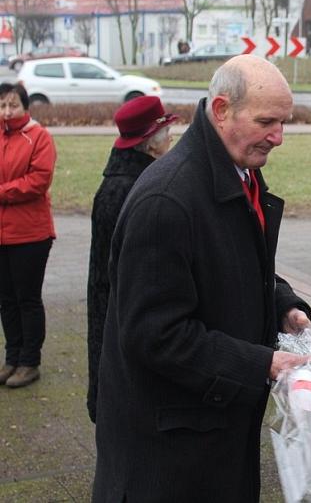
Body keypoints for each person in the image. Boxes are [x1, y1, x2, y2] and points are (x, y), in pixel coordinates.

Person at [92, 55, 311, 502]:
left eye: (283, 122)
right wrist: (263, 364)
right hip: (169, 454)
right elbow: (156, 335)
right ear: (220, 110)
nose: (279, 137)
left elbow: (235, 267)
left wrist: (284, 306)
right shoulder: (167, 200)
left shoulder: (237, 169)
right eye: (267, 121)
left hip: (207, 431)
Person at [86, 96, 178, 423]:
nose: (171, 140)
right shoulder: (130, 188)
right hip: (121, 311)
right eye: (167, 134)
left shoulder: (126, 179)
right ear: (151, 146)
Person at [0, 83, 56, 389]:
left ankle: (29, 361)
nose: (7, 112)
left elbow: (37, 181)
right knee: (6, 300)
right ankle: (12, 357)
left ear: (25, 107)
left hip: (30, 234)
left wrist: (2, 192)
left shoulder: (39, 137)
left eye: (13, 106)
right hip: (2, 234)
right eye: (2, 106)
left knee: (27, 299)